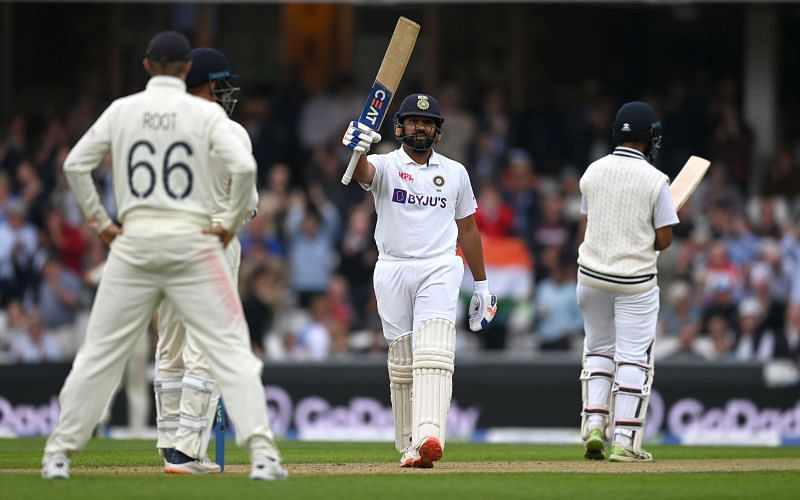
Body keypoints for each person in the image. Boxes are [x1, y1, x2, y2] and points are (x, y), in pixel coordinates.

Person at [41, 32, 286, 481]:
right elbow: (247, 179)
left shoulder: (123, 110)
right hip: (201, 242)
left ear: (149, 65)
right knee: (216, 351)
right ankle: (208, 451)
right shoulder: (214, 122)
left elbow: (75, 165)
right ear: (189, 73)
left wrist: (102, 223)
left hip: (134, 241)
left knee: (122, 351)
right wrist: (231, 220)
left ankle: (68, 451)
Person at [341, 93, 497, 468]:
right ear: (400, 127)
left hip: (439, 266)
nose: (420, 127)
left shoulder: (455, 172)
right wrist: (358, 149)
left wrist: (481, 284)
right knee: (403, 363)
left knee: (435, 350)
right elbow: (363, 174)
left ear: (438, 131)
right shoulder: (385, 164)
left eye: (427, 123)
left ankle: (430, 434)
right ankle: (410, 446)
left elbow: (468, 229)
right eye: (413, 121)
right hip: (392, 267)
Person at [151, 46, 260, 474]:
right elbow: (248, 203)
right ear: (211, 85)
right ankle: (188, 450)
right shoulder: (231, 133)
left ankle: (169, 440)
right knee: (205, 347)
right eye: (223, 84)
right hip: (212, 242)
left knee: (171, 344)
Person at [576, 101, 678, 462]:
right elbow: (664, 240)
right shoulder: (656, 180)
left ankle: (593, 427)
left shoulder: (592, 171)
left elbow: (585, 226)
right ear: (649, 139)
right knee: (633, 358)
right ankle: (624, 439)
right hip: (635, 279)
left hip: (591, 275)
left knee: (599, 350)